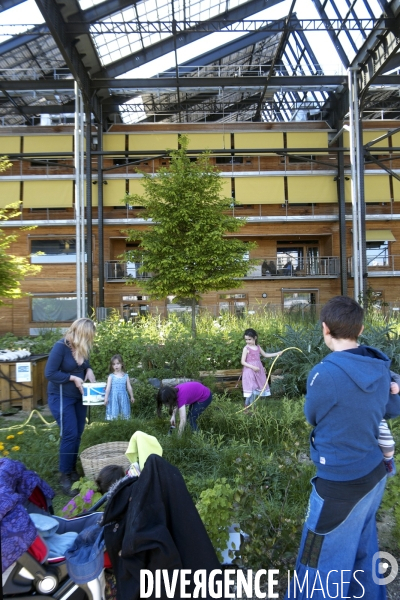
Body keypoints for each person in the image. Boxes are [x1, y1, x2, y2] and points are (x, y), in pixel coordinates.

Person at [285, 296, 400, 600]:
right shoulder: (378, 367)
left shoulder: (325, 374)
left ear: (324, 329)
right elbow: (392, 407)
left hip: (339, 485)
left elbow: (313, 416)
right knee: (364, 545)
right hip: (375, 472)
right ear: (360, 329)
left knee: (318, 559)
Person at [45, 318, 96, 496]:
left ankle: (72, 469)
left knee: (78, 433)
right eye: (88, 336)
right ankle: (64, 475)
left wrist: (88, 370)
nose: (90, 340)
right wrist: (73, 378)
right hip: (61, 397)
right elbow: (49, 373)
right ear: (80, 334)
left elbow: (84, 364)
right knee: (70, 434)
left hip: (78, 397)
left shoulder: (82, 347)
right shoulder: (61, 347)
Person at [241, 328, 282, 408]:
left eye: (249, 339)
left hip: (257, 371)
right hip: (249, 370)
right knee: (251, 389)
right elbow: (243, 362)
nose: (247, 341)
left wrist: (277, 353)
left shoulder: (258, 347)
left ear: (255, 338)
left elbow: (265, 355)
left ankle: (250, 407)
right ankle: (250, 407)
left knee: (255, 390)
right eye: (246, 339)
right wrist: (252, 367)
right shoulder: (246, 349)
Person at [104, 354, 134, 421]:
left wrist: (132, 396)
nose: (116, 366)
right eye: (114, 364)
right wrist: (106, 398)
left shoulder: (126, 376)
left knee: (124, 409)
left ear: (122, 364)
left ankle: (123, 422)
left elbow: (129, 387)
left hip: (123, 396)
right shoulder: (111, 376)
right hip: (114, 396)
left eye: (118, 363)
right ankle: (114, 422)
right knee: (114, 410)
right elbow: (108, 388)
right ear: (112, 366)